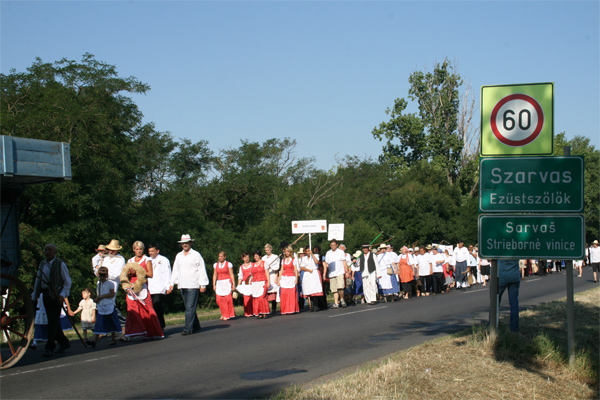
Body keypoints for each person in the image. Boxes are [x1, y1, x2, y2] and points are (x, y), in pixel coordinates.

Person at [31, 244, 72, 357]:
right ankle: (64, 342)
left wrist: (62, 295)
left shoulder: (60, 264)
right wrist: (34, 296)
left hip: (56, 295)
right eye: (46, 250)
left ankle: (50, 347)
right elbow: (38, 281)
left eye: (49, 250)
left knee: (52, 321)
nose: (47, 252)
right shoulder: (42, 264)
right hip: (45, 294)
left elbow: (67, 281)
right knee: (52, 320)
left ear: (55, 252)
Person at [168, 234, 209, 335]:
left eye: (187, 243)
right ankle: (196, 325)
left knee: (190, 308)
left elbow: (201, 269)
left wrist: (203, 284)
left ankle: (187, 328)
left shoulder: (196, 255)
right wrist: (172, 282)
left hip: (193, 284)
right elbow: (175, 270)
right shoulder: (179, 255)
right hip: (182, 284)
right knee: (189, 307)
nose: (185, 245)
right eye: (183, 243)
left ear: (191, 243)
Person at [123, 241, 163, 340]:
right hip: (132, 288)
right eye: (136, 249)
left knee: (148, 310)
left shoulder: (147, 260)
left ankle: (153, 332)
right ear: (133, 250)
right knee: (132, 310)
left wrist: (138, 271)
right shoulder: (130, 260)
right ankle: (132, 333)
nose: (138, 251)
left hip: (142, 287)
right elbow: (126, 274)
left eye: (140, 249)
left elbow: (150, 274)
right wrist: (130, 273)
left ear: (143, 250)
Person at [88, 267, 121, 347]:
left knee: (111, 321)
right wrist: (97, 298)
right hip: (101, 306)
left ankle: (113, 339)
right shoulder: (99, 284)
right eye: (100, 276)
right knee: (99, 322)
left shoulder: (110, 283)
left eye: (103, 276)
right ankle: (94, 338)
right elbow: (98, 294)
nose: (102, 278)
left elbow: (112, 294)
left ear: (106, 275)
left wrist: (101, 297)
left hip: (109, 304)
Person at [147, 242, 171, 331]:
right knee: (151, 309)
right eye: (149, 251)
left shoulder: (164, 260)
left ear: (157, 251)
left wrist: (168, 286)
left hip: (160, 288)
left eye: (152, 251)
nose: (151, 253)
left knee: (158, 308)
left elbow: (167, 273)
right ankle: (153, 326)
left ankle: (161, 326)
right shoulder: (148, 260)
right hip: (150, 288)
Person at [323, 239, 349, 309]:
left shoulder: (341, 252)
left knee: (340, 287)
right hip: (332, 273)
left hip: (340, 272)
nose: (333, 246)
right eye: (332, 245)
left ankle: (342, 299)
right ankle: (336, 302)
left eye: (334, 245)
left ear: (337, 245)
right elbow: (326, 263)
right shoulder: (328, 253)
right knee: (334, 289)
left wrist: (346, 272)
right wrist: (325, 271)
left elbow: (344, 262)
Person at [498, 259, 521, 332]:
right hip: (514, 276)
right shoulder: (516, 250)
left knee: (495, 302)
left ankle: (492, 325)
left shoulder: (501, 250)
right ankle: (514, 328)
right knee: (514, 303)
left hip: (502, 276)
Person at [299, 247, 324, 311]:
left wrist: (312, 254)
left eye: (308, 251)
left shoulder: (315, 256)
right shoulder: (304, 258)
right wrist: (308, 270)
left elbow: (316, 262)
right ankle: (312, 306)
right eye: (306, 251)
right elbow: (302, 267)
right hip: (307, 274)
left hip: (314, 273)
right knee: (309, 290)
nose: (308, 252)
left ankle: (316, 305)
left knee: (314, 289)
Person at [212, 251, 235, 320]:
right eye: (219, 256)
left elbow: (231, 274)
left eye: (221, 256)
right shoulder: (216, 265)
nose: (220, 258)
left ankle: (227, 315)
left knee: (227, 299)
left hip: (227, 282)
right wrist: (214, 284)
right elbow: (215, 275)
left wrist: (233, 284)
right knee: (219, 299)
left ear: (225, 257)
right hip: (219, 283)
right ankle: (224, 313)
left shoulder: (228, 264)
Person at [278, 245, 299, 315]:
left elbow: (295, 270)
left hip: (291, 277)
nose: (287, 253)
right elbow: (281, 270)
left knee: (291, 294)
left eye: (288, 251)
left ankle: (291, 309)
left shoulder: (293, 260)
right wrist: (279, 279)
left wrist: (296, 278)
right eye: (286, 251)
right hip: (284, 278)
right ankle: (284, 309)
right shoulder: (283, 260)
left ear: (290, 252)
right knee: (284, 294)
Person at [250, 250, 271, 318]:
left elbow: (267, 273)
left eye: (256, 256)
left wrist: (268, 282)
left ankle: (264, 312)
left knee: (262, 297)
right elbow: (252, 274)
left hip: (263, 282)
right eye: (254, 256)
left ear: (260, 256)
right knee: (256, 298)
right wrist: (251, 281)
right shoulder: (253, 265)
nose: (255, 257)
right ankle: (259, 312)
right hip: (255, 283)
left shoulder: (264, 263)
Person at [263, 244, 280, 314]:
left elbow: (277, 268)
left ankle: (274, 309)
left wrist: (276, 277)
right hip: (266, 276)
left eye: (268, 250)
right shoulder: (264, 258)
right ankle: (267, 309)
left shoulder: (275, 257)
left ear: (271, 249)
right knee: (266, 293)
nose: (267, 251)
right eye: (266, 250)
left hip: (273, 275)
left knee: (273, 292)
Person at [236, 252, 254, 317]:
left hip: (252, 283)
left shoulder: (252, 264)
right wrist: (238, 285)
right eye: (245, 257)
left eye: (248, 257)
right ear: (242, 258)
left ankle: (254, 311)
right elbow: (240, 276)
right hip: (245, 284)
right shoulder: (241, 267)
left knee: (252, 298)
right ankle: (247, 312)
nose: (246, 259)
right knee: (246, 299)